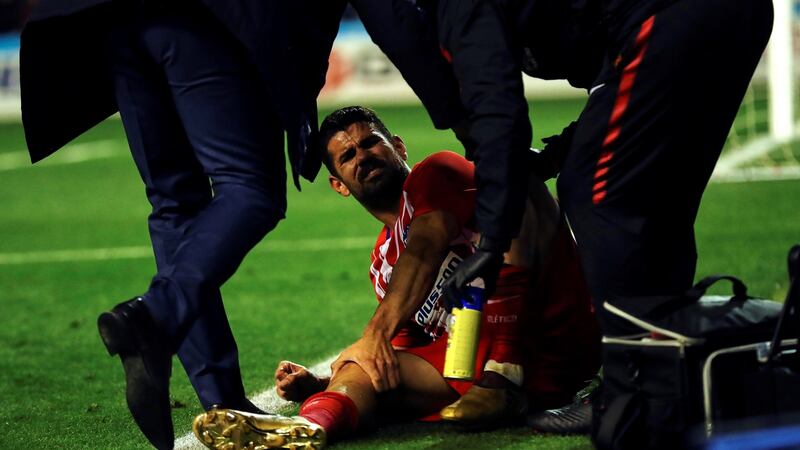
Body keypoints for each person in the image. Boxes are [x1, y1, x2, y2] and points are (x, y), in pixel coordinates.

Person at [19, 2, 467, 449]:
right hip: (211, 19)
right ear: (338, 183)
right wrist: (460, 111)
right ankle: (154, 316)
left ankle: (220, 399)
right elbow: (391, 15)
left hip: (109, 21)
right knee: (251, 189)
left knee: (174, 206)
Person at [409, 0, 775, 433]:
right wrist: (564, 148)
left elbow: (498, 111)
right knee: (656, 194)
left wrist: (492, 241)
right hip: (731, 17)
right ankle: (670, 372)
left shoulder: (456, 8)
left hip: (670, 17)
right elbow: (609, 66)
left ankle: (627, 394)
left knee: (592, 196)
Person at [192, 106, 600, 449]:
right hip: (473, 368)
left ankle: (504, 371)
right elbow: (400, 348)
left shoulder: (436, 174)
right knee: (364, 365)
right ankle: (312, 427)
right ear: (339, 185)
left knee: (515, 171)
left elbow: (426, 247)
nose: (362, 155)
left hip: (546, 337)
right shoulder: (383, 262)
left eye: (370, 142)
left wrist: (373, 334)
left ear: (398, 146)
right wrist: (326, 379)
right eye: (347, 156)